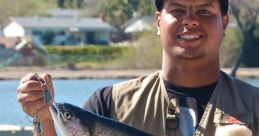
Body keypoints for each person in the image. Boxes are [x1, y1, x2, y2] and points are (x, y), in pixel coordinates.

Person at [17, 0, 259, 135]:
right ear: (157, 21)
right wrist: (44, 118)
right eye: (177, 10)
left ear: (224, 23)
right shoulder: (107, 104)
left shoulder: (255, 105)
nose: (190, 20)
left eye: (204, 11)